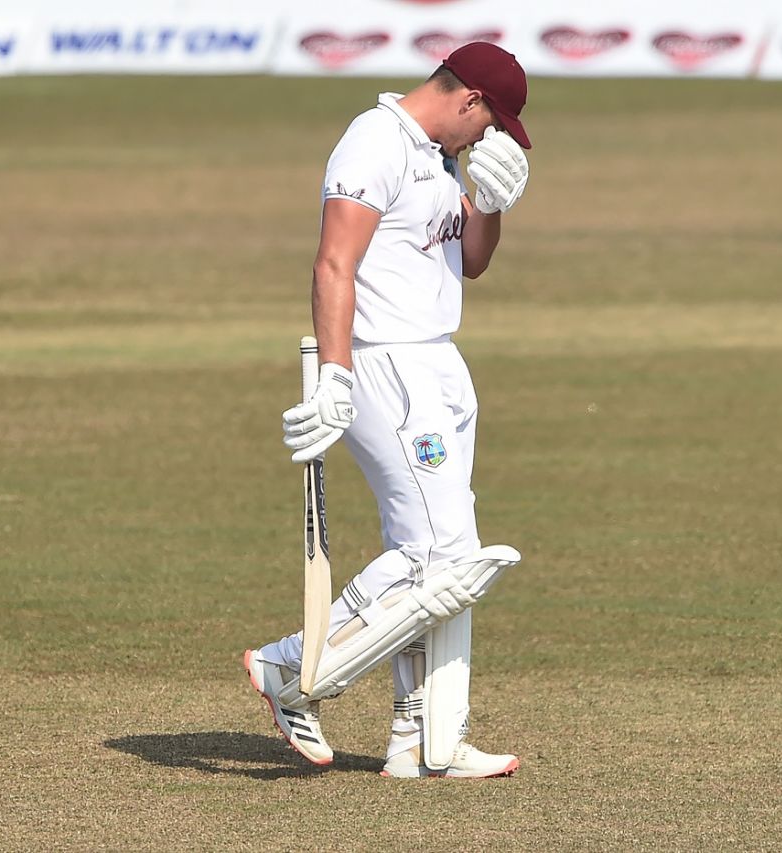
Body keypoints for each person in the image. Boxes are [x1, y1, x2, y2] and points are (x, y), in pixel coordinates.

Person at [243, 42, 532, 779]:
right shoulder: (375, 141)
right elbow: (334, 261)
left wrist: (490, 207)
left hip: (437, 360)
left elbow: (471, 259)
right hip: (387, 363)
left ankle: (421, 737)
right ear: (466, 98)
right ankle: (288, 665)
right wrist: (335, 376)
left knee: (445, 547)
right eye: (492, 122)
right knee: (442, 558)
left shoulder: (438, 157)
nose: (490, 138)